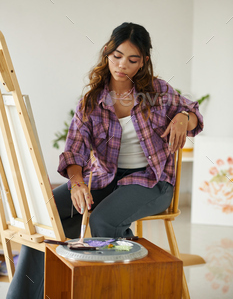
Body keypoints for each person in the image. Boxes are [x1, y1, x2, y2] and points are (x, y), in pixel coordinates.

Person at [6, 22, 203, 298]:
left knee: (103, 222)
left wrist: (184, 117)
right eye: (117, 56)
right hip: (105, 178)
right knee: (44, 219)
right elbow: (74, 152)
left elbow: (193, 111)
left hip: (152, 180)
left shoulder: (157, 92)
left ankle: (113, 286)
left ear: (144, 61)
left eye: (133, 59)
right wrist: (76, 183)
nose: (122, 65)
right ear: (107, 53)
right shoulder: (91, 101)